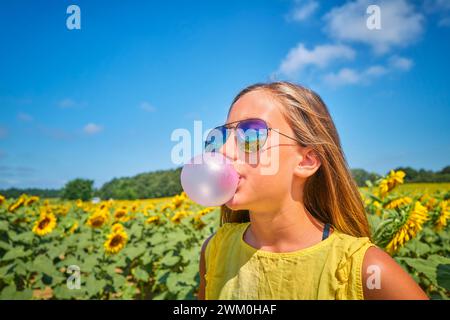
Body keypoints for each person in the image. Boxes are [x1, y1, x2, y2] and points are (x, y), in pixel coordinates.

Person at [197, 81, 428, 300]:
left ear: (306, 161)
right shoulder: (214, 251)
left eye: (251, 134)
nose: (224, 150)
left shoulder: (366, 270)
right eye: (222, 137)